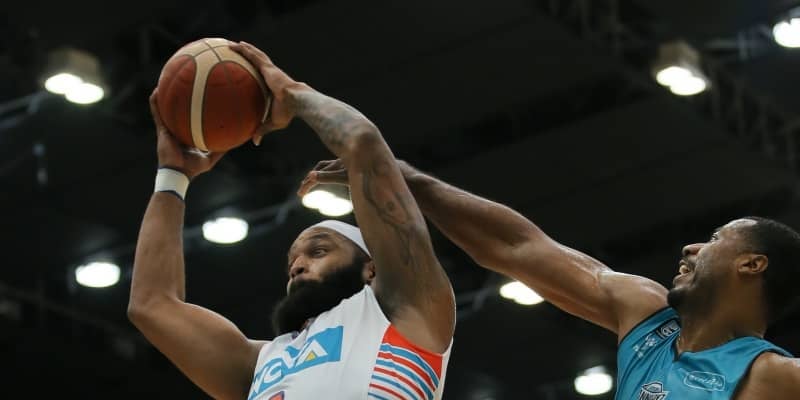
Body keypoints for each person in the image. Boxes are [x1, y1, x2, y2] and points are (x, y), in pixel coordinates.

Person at [300, 159, 800, 399]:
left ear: (752, 265)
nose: (691, 247)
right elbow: (517, 248)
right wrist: (405, 179)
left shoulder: (774, 377)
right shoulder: (647, 317)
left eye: (714, 239)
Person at [127, 42, 455, 400]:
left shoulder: (407, 309)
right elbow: (151, 304)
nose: (297, 265)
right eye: (292, 261)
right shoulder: (260, 362)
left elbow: (362, 141)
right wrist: (173, 175)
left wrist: (293, 95)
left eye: (319, 251)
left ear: (371, 268)